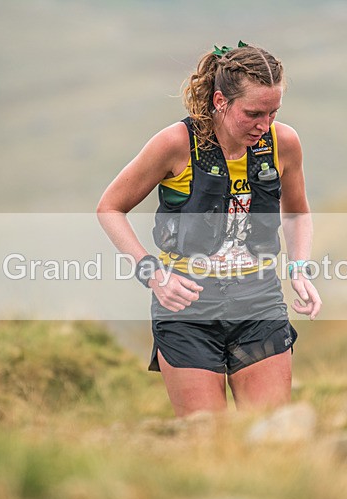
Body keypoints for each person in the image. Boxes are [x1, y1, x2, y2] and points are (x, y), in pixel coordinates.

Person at [96, 42, 321, 417]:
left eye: (273, 112)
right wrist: (152, 274)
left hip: (259, 303)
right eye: (252, 113)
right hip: (187, 311)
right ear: (220, 100)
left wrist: (299, 269)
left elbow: (297, 214)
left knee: (269, 436)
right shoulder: (175, 144)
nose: (263, 126)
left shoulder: (284, 143)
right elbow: (110, 208)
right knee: (206, 440)